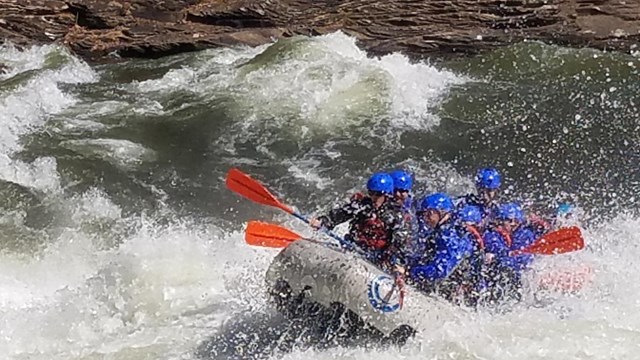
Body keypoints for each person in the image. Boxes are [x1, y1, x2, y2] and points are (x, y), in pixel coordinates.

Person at [309, 172, 410, 268]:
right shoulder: (362, 205)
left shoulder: (396, 215)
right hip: (353, 248)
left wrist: (398, 264)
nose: (374, 197)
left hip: (377, 258)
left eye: (378, 194)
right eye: (371, 193)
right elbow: (339, 215)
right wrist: (323, 221)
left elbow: (400, 243)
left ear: (387, 195)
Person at [405, 193, 475, 303]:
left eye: (428, 214)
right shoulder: (446, 229)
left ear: (440, 212)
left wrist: (411, 272)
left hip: (456, 293)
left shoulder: (448, 235)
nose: (425, 219)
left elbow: (440, 270)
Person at [482, 202, 538, 303]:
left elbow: (524, 260)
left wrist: (502, 257)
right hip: (495, 279)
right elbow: (496, 248)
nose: (513, 223)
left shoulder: (525, 235)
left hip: (517, 279)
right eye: (508, 220)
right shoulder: (492, 235)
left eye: (516, 220)